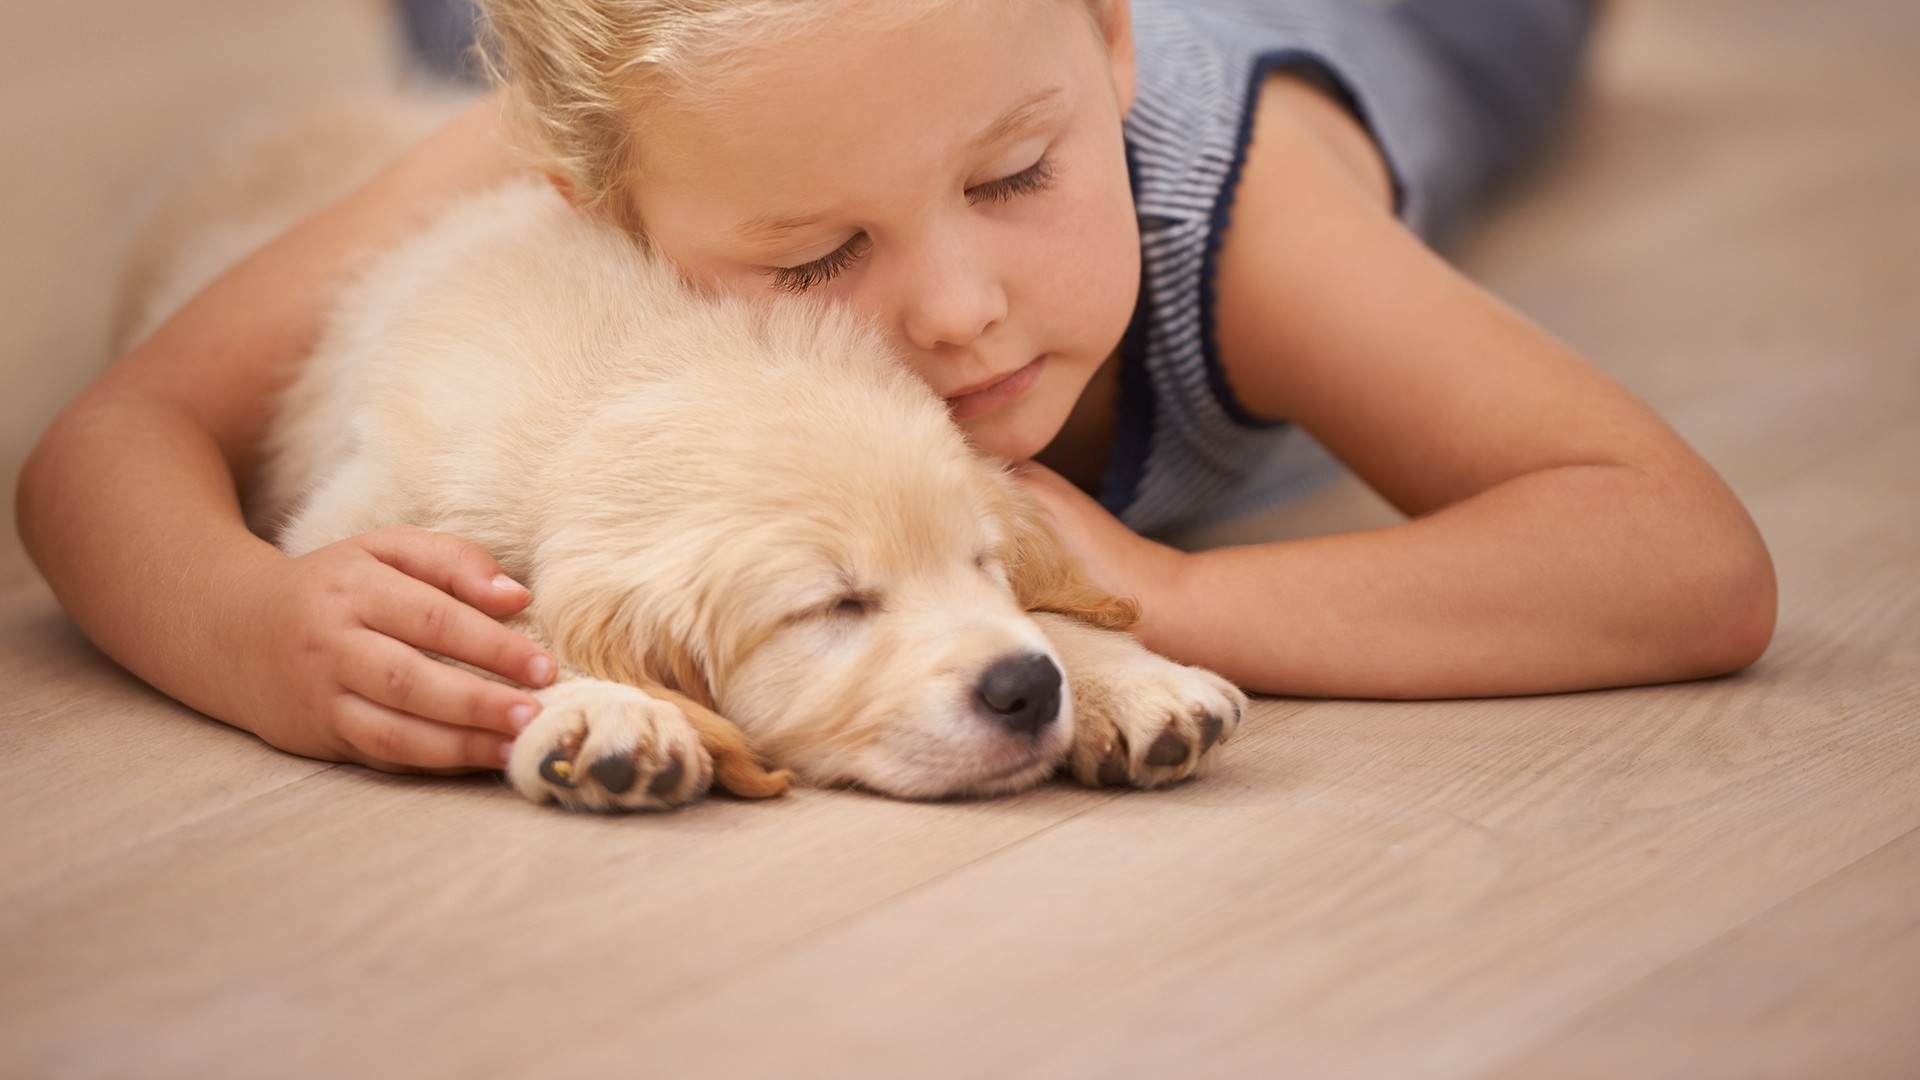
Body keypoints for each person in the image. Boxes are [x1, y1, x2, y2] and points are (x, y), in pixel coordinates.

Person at [15, 0, 1776, 778]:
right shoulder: (557, 146)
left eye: (1017, 181)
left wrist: (1173, 595)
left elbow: (1683, 561)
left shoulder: (1226, 208)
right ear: (599, 214)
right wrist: (257, 635)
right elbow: (110, 447)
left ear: (1103, 36)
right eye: (812, 258)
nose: (959, 308)